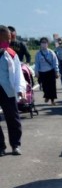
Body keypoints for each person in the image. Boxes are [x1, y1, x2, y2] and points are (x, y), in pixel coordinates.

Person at [0, 24, 25, 156]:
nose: (9, 41)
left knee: (13, 118)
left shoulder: (11, 54)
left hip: (7, 89)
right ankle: (0, 146)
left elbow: (18, 74)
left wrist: (20, 89)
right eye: (6, 39)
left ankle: (16, 145)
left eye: (10, 38)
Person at [34, 37, 59, 105]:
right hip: (42, 73)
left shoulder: (51, 53)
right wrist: (36, 72)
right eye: (42, 42)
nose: (44, 44)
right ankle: (47, 96)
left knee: (52, 87)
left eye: (45, 42)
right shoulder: (38, 54)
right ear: (40, 44)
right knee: (44, 86)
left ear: (48, 44)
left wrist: (56, 71)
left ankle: (52, 101)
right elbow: (37, 64)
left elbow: (55, 62)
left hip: (50, 72)